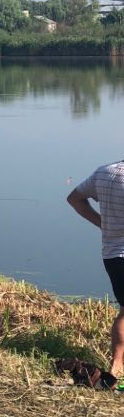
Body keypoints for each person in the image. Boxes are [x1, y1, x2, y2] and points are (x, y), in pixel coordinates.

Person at [67, 161, 124, 385]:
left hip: (112, 254)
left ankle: (117, 367)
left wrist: (102, 223)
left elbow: (74, 199)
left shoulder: (105, 172)